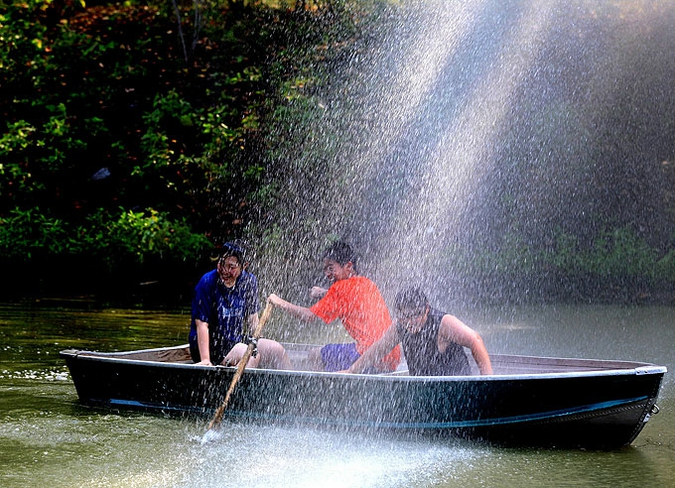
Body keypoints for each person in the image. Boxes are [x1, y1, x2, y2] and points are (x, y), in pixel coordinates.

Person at [268, 241, 400, 373]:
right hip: (390, 356)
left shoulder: (339, 288)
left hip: (369, 355)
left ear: (348, 266)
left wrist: (279, 302)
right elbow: (348, 298)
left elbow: (309, 316)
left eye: (331, 268)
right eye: (325, 269)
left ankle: (321, 391)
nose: (327, 273)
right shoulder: (367, 283)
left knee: (315, 355)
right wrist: (324, 293)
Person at [189, 242, 291, 369]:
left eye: (231, 267)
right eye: (222, 264)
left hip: (235, 342)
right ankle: (243, 388)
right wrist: (205, 359)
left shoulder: (249, 282)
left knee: (276, 349)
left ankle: (291, 386)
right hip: (210, 347)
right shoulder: (207, 283)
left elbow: (252, 319)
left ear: (244, 266)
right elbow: (202, 324)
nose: (225, 271)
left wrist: (259, 340)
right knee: (250, 354)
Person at [345, 287, 492, 376]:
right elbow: (378, 349)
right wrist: (352, 371)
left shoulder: (443, 323)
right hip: (423, 389)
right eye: (405, 316)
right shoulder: (400, 325)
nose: (411, 321)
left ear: (426, 309)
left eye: (416, 315)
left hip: (455, 386)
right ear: (399, 314)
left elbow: (475, 340)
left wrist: (487, 381)